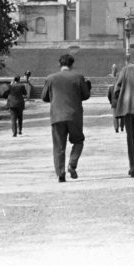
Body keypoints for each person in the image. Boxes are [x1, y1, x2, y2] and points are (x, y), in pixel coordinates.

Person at [41, 54, 91, 182]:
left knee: (59, 146)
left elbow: (44, 97)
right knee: (78, 141)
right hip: (74, 115)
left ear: (59, 64)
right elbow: (86, 95)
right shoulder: (78, 77)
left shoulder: (51, 78)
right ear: (72, 64)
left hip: (57, 116)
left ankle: (60, 173)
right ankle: (72, 163)